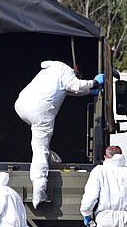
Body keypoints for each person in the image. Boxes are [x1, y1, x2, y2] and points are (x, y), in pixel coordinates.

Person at [14, 60, 104, 208]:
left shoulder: (52, 70)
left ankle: (46, 157)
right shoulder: (66, 70)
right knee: (40, 148)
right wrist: (94, 82)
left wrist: (88, 91)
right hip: (41, 109)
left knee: (39, 140)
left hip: (22, 105)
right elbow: (75, 86)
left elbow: (67, 90)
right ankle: (39, 190)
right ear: (75, 67)